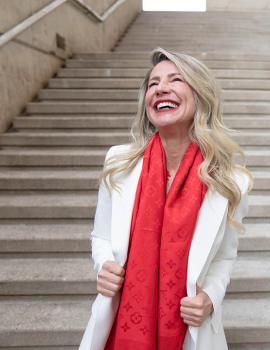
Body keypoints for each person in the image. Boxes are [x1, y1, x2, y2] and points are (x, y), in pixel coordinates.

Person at [78, 47, 252, 350]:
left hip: (187, 331)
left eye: (175, 79)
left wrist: (210, 297)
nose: (160, 88)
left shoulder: (230, 180)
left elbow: (224, 256)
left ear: (200, 95)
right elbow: (101, 236)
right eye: (153, 83)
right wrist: (104, 264)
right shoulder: (118, 163)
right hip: (122, 327)